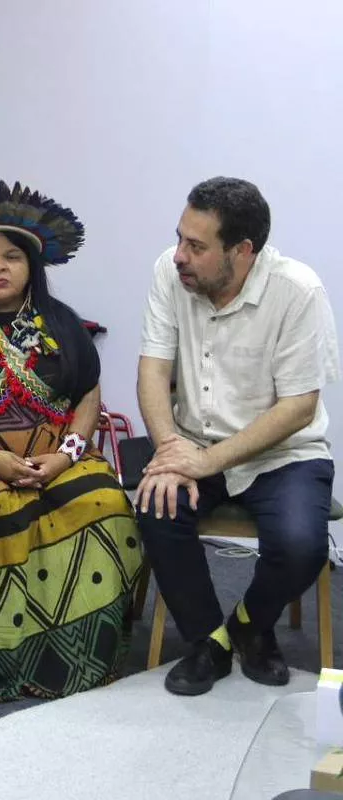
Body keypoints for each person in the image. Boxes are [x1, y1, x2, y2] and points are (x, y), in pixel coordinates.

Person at [0, 180, 142, 701]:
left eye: (12, 257)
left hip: (56, 451)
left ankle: (81, 655)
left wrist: (65, 456)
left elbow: (87, 398)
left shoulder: (63, 324)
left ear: (31, 267)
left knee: (101, 501)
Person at [135, 177, 338, 696]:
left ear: (243, 252)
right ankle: (209, 641)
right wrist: (170, 450)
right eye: (180, 237)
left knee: (301, 544)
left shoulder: (297, 291)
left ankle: (250, 625)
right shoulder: (169, 272)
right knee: (157, 508)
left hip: (282, 453)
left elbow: (298, 408)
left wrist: (206, 462)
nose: (179, 255)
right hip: (191, 443)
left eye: (196, 246)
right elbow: (153, 371)